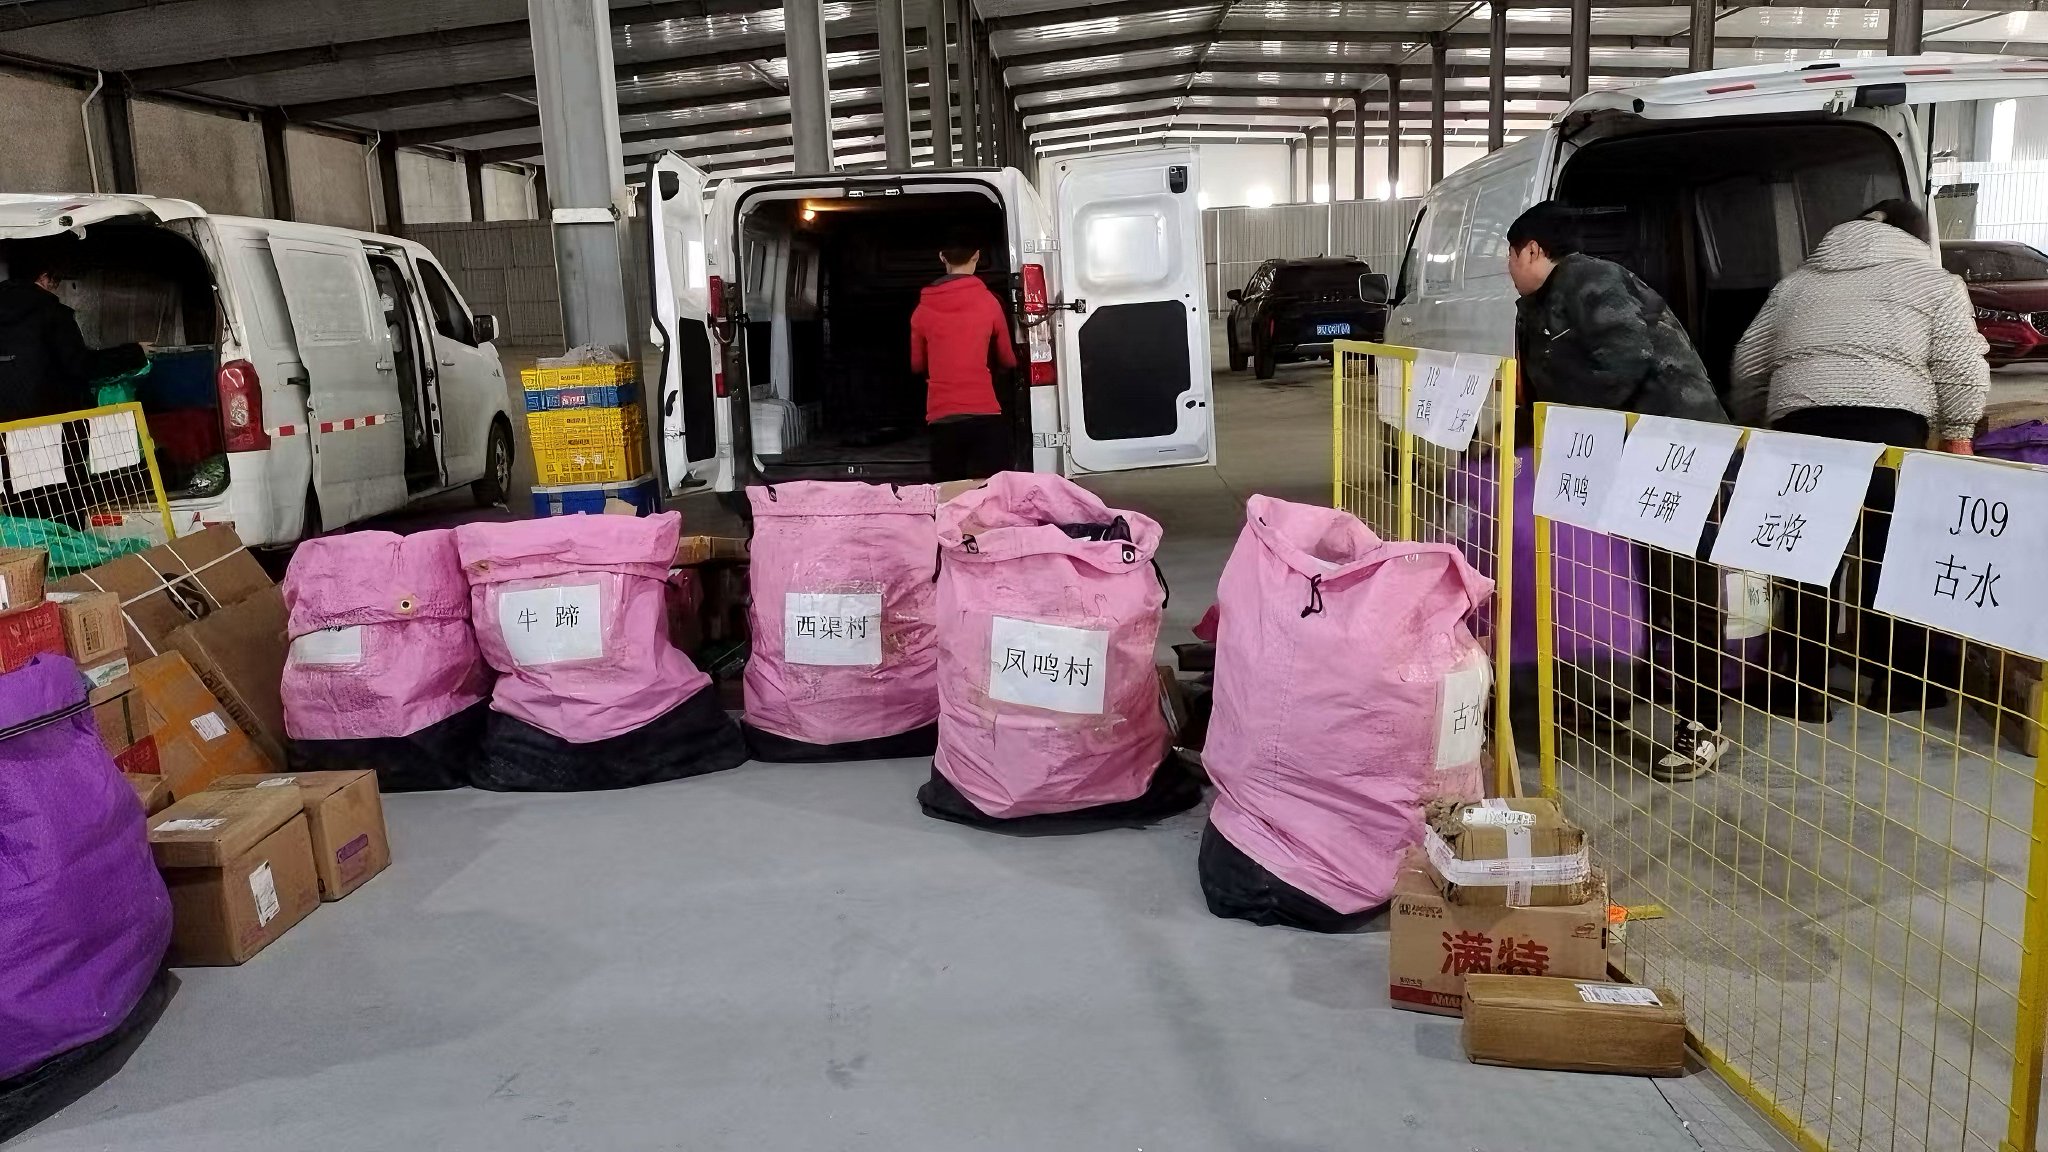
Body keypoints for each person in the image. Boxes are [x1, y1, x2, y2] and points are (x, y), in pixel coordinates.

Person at [1730, 198, 1988, 718]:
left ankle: (1804, 690)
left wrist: (1762, 418)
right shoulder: (1935, 283)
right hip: (1891, 431)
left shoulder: (1796, 285)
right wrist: (1959, 432)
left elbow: (1748, 364)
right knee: (1890, 555)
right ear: (1917, 237)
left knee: (1807, 555)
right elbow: (1960, 364)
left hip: (1803, 428)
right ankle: (1900, 686)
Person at [1507, 200, 1732, 781]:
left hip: (1676, 449)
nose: (1508, 268)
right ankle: (1661, 692)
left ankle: (1703, 725)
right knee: (1652, 583)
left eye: (1510, 255)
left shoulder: (1591, 280)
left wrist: (1569, 430)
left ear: (1532, 249)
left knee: (1685, 586)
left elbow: (1625, 361)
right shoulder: (1539, 304)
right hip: (1636, 454)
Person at [910, 233, 1017, 482]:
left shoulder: (921, 310)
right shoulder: (990, 303)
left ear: (942, 257)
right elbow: (1008, 360)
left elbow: (917, 365)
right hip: (985, 413)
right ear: (977, 255)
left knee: (950, 491)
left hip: (942, 417)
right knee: (989, 490)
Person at [0, 244, 149, 424]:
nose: (54, 288)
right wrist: (135, 353)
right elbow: (81, 365)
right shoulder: (53, 313)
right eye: (55, 282)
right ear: (44, 277)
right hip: (45, 422)